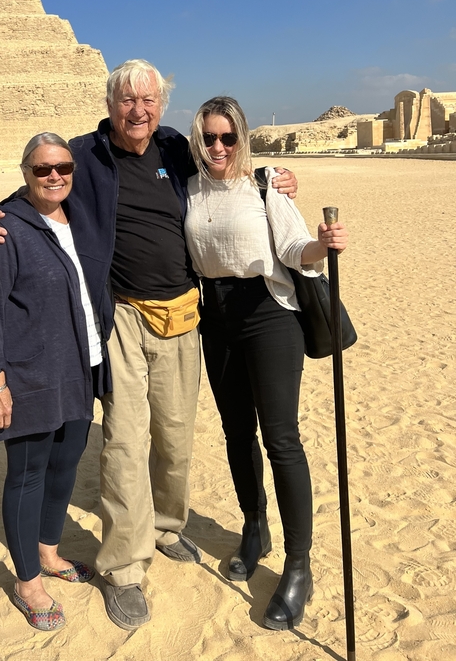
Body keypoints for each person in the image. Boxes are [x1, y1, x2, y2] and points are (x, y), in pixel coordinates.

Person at [0, 60, 298, 630]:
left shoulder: (177, 147)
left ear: (162, 105)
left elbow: (230, 167)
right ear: (110, 103)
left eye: (148, 100)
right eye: (127, 100)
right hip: (123, 316)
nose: (138, 110)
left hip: (185, 315)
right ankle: (123, 569)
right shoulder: (87, 153)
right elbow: (37, 184)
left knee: (175, 437)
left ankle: (167, 527)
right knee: (124, 442)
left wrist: (276, 175)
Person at [184, 96, 348, 630]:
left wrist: (323, 247)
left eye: (227, 137)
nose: (217, 148)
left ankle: (298, 566)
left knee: (281, 438)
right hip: (217, 318)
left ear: (242, 137)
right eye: (208, 137)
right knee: (236, 432)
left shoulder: (264, 184)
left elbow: (296, 244)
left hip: (268, 316)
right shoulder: (186, 186)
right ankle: (255, 528)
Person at [0, 132, 109, 632]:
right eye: (42, 169)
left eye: (63, 168)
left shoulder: (82, 219)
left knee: (65, 464)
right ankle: (27, 579)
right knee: (27, 473)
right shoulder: (8, 228)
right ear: (25, 174)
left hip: (81, 365)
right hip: (29, 373)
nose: (55, 177)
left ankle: (48, 551)